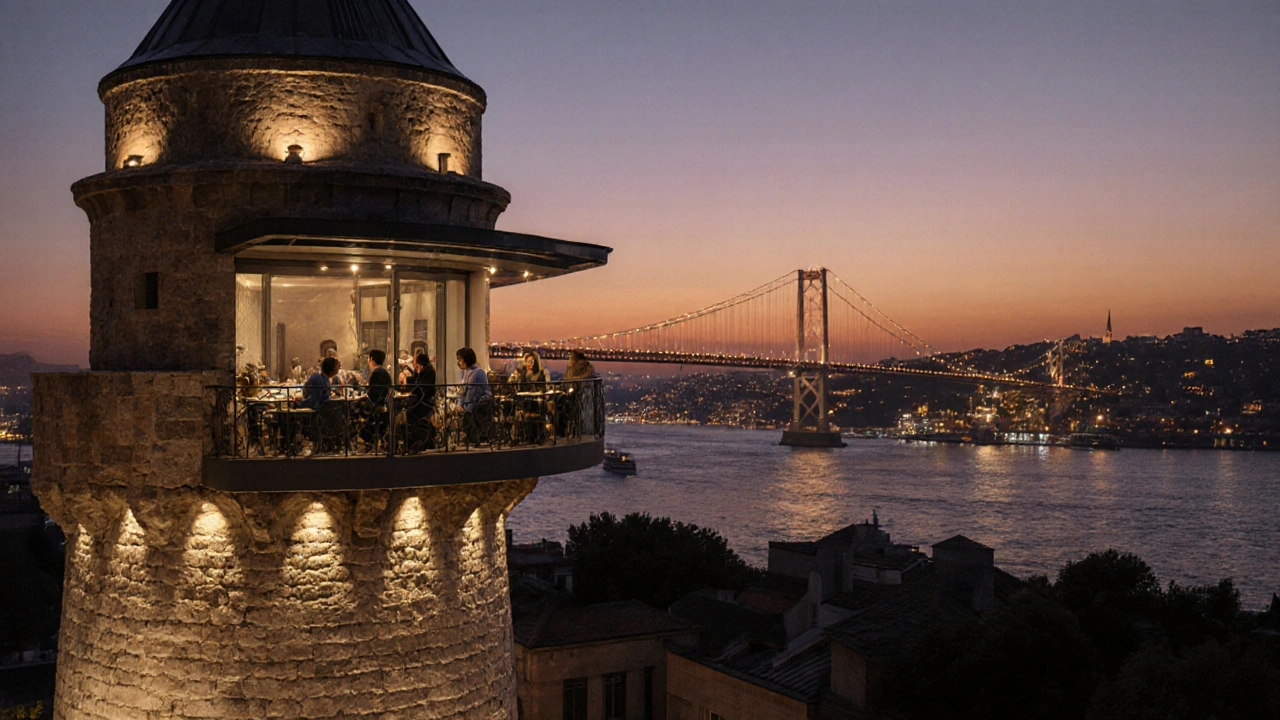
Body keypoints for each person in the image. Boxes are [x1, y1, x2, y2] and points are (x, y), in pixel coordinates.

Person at [456, 347, 493, 444]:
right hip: (470, 408)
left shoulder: (477, 373)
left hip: (477, 409)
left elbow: (470, 393)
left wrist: (463, 405)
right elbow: (463, 391)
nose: (458, 362)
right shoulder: (466, 371)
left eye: (459, 359)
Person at [359, 349, 393, 450]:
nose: (367, 361)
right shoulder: (383, 372)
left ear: (372, 359)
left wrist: (363, 396)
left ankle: (367, 440)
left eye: (368, 358)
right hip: (383, 405)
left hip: (377, 407)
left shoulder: (377, 373)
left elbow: (374, 393)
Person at [404, 353, 437, 451]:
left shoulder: (428, 371)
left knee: (409, 413)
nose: (414, 365)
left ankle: (418, 438)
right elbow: (415, 381)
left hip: (424, 401)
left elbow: (420, 387)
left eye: (415, 363)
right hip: (420, 400)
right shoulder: (422, 370)